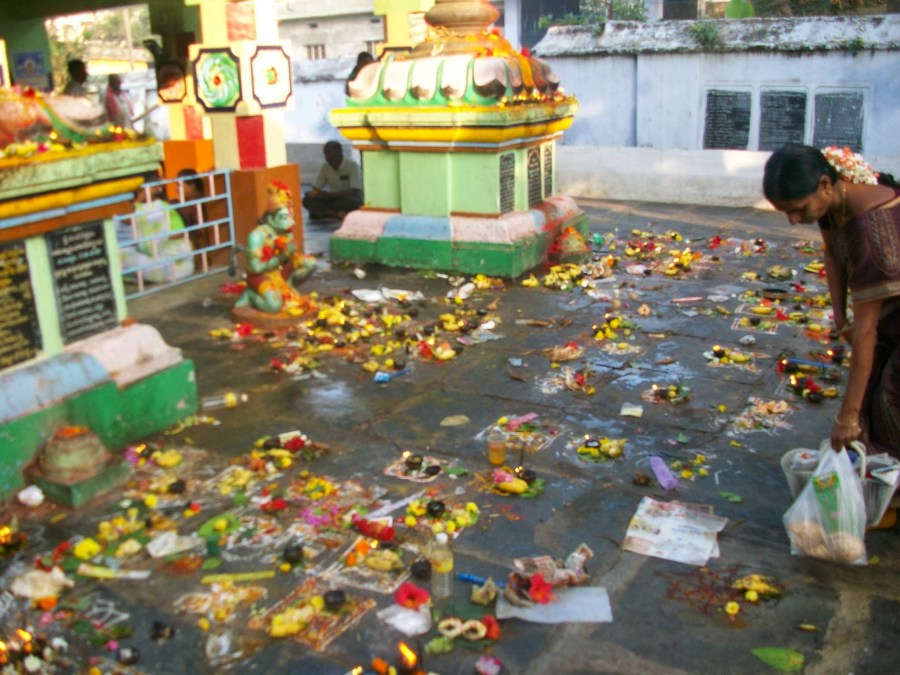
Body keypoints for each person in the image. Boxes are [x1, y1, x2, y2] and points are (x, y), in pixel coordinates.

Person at [763, 145, 900, 473]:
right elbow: (833, 252)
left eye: (798, 210)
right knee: (869, 391)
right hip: (891, 314)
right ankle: (878, 476)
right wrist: (840, 319)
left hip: (889, 314)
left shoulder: (871, 235)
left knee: (889, 398)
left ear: (824, 184)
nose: (794, 221)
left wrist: (847, 416)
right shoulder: (836, 200)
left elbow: (865, 333)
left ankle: (888, 475)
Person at [236, 182, 316, 314]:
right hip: (261, 276)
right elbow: (256, 268)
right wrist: (283, 256)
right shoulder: (257, 236)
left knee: (310, 263)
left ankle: (288, 286)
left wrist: (290, 251)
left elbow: (288, 254)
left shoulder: (284, 230)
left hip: (280, 271)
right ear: (271, 219)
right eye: (284, 217)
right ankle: (251, 296)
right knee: (274, 307)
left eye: (290, 216)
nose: (291, 222)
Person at [120, 173, 195, 283]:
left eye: (144, 188)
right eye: (140, 189)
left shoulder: (163, 206)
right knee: (122, 256)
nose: (142, 191)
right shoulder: (135, 207)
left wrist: (159, 240)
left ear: (155, 189)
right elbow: (125, 220)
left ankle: (153, 273)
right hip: (151, 255)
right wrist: (139, 199)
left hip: (169, 254)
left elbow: (180, 233)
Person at [302, 141, 363, 221]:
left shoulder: (352, 166)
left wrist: (330, 195)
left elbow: (354, 191)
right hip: (332, 199)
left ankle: (325, 213)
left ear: (340, 152)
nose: (329, 157)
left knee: (352, 203)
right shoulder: (325, 167)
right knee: (307, 200)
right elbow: (316, 187)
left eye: (331, 154)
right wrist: (315, 193)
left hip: (348, 198)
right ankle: (336, 215)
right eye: (326, 154)